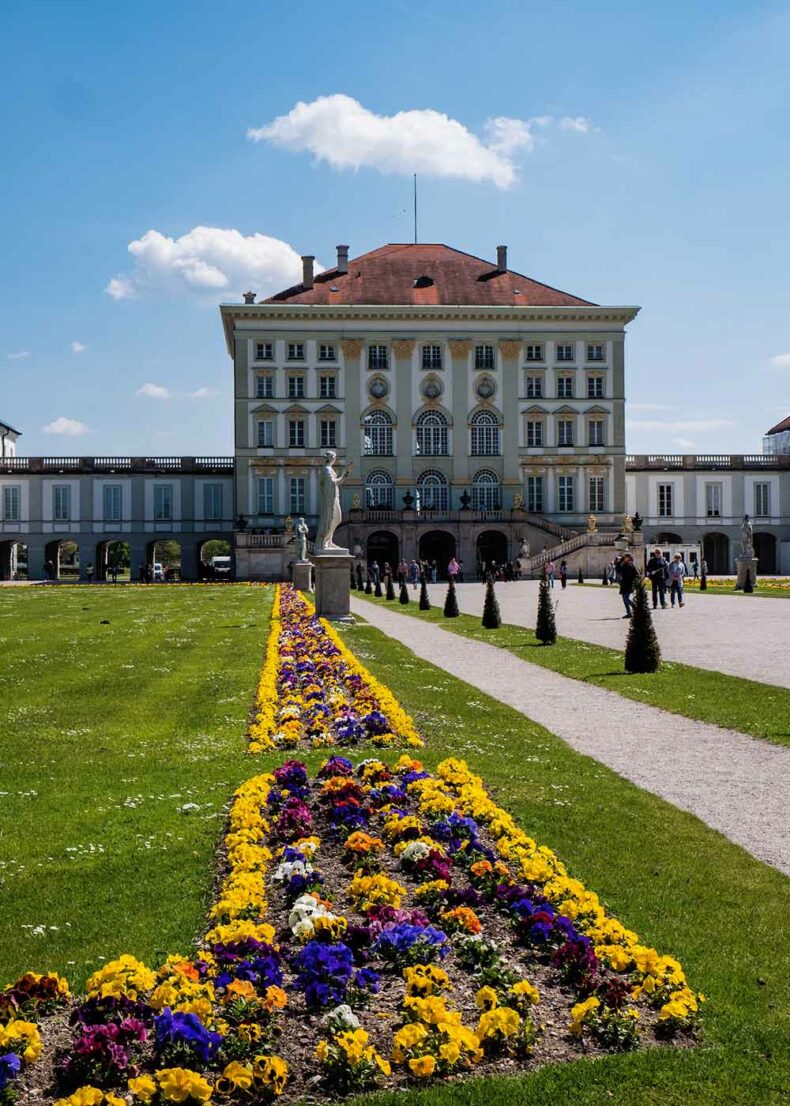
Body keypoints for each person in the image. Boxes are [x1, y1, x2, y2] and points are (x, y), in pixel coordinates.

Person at [618, 552, 640, 617]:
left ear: (628, 558)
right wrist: (619, 561)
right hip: (624, 584)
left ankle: (636, 608)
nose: (624, 558)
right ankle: (629, 613)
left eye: (625, 557)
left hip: (629, 584)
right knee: (624, 599)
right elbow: (618, 569)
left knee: (626, 598)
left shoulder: (631, 565)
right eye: (623, 557)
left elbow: (637, 574)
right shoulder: (623, 565)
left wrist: (634, 581)